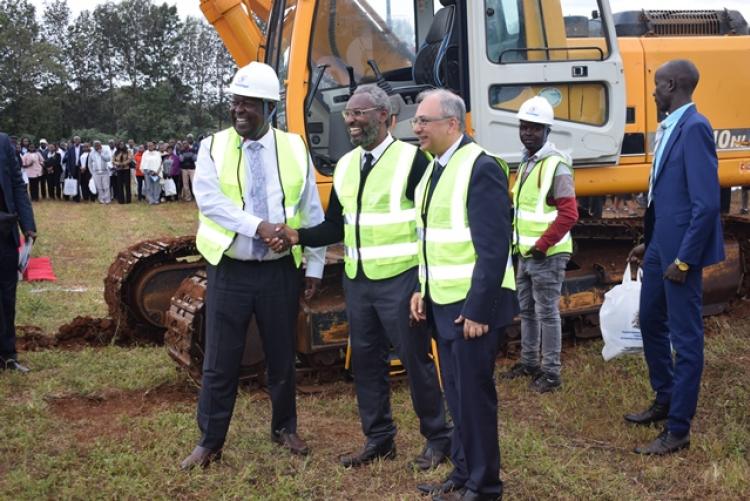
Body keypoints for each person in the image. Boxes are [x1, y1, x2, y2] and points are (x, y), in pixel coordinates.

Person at [268, 84, 452, 470]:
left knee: (415, 361)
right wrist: (298, 235)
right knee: (366, 364)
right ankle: (379, 438)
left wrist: (423, 281)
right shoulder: (347, 164)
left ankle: (438, 438)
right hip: (359, 281)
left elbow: (432, 222)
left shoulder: (413, 160)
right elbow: (335, 224)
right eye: (348, 113)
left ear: (383, 116)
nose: (349, 119)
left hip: (401, 280)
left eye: (359, 112)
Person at [180, 62, 326, 470]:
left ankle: (285, 429)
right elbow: (210, 202)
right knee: (220, 360)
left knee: (282, 357)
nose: (239, 111)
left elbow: (309, 210)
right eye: (235, 102)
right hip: (231, 271)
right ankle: (210, 441)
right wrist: (259, 227)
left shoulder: (295, 147)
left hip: (280, 272)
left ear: (269, 108)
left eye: (249, 104)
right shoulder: (213, 146)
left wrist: (313, 266)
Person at [409, 89, 516, 501]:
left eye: (424, 121)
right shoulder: (435, 167)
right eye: (417, 121)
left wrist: (478, 310)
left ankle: (484, 487)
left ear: (453, 124)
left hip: (471, 310)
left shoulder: (480, 167)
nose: (416, 128)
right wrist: (422, 289)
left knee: (474, 399)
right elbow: (430, 240)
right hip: (443, 303)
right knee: (456, 395)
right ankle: (463, 473)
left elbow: (493, 248)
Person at [626, 59, 724, 455]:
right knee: (650, 319)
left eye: (655, 86)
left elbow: (706, 205)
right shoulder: (670, 127)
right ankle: (665, 397)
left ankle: (679, 428)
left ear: (671, 85)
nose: (652, 92)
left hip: (682, 255)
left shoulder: (695, 128)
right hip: (660, 248)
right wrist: (649, 243)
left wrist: (684, 260)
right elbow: (664, 198)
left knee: (685, 339)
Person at [501, 96, 578, 393]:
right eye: (524, 127)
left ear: (547, 131)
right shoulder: (526, 162)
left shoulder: (555, 166)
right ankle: (530, 362)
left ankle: (551, 373)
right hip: (527, 251)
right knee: (528, 310)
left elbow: (569, 214)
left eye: (535, 128)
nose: (528, 133)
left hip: (547, 253)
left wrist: (543, 245)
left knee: (547, 312)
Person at [0, 131, 36, 372]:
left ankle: (7, 355)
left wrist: (28, 225)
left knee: (6, 295)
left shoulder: (3, 142)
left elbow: (16, 184)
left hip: (5, 231)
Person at [64, 136, 83, 202]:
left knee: (81, 182)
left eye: (78, 140)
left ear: (80, 141)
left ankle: (82, 196)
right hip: (73, 168)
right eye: (75, 140)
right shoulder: (70, 148)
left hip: (81, 168)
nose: (77, 141)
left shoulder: (83, 148)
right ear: (74, 141)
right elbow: (68, 160)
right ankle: (76, 197)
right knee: (75, 182)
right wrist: (69, 170)